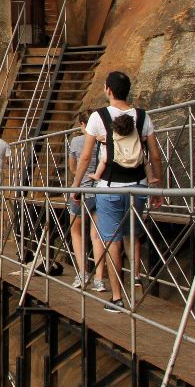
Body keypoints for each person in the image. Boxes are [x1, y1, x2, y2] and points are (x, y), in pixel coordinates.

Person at [70, 71, 165, 313]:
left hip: (109, 187)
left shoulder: (98, 117)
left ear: (108, 90)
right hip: (139, 186)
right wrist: (158, 187)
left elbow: (86, 156)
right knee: (131, 235)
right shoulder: (143, 117)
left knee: (112, 240)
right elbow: (154, 155)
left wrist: (76, 185)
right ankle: (135, 281)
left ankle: (117, 298)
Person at [67, 111, 105, 291]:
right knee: (97, 235)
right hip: (100, 190)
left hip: (81, 190)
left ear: (83, 124)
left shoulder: (76, 141)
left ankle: (82, 274)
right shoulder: (104, 140)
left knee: (76, 232)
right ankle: (99, 279)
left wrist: (77, 181)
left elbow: (72, 166)